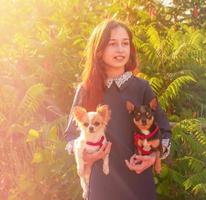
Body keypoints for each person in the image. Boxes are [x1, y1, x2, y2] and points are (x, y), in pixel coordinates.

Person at [64, 19, 171, 200]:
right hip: (101, 183)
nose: (121, 49)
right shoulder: (86, 89)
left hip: (139, 181)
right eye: (113, 44)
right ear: (99, 51)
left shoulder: (142, 87)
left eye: (125, 43)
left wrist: (153, 156)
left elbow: (164, 130)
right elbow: (70, 136)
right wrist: (84, 155)